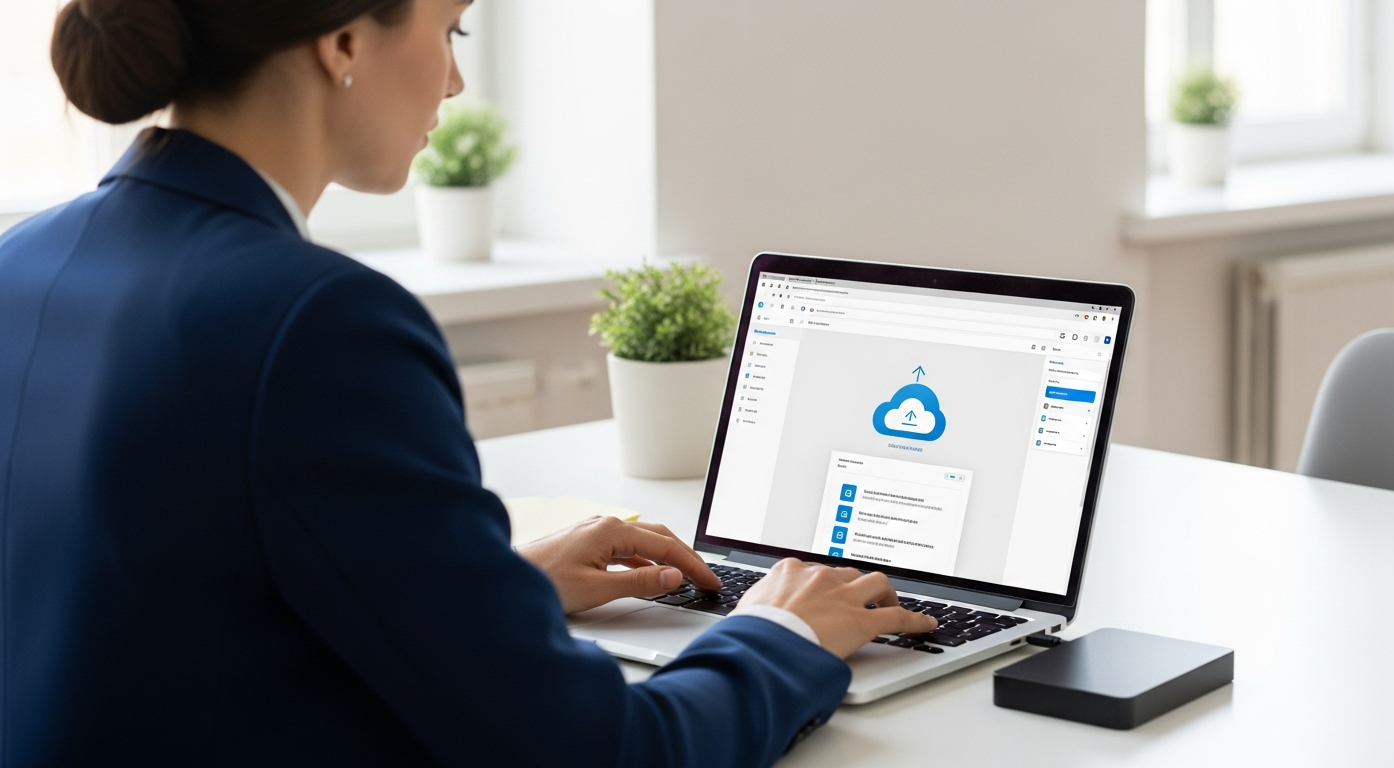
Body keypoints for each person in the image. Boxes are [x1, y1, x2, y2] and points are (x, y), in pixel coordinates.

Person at [0, 0, 936, 764]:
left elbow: (173, 602)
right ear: (344, 42)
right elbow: (598, 754)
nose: (453, 78)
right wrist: (781, 636)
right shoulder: (320, 323)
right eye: (451, 31)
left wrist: (495, 593)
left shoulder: (24, 260)